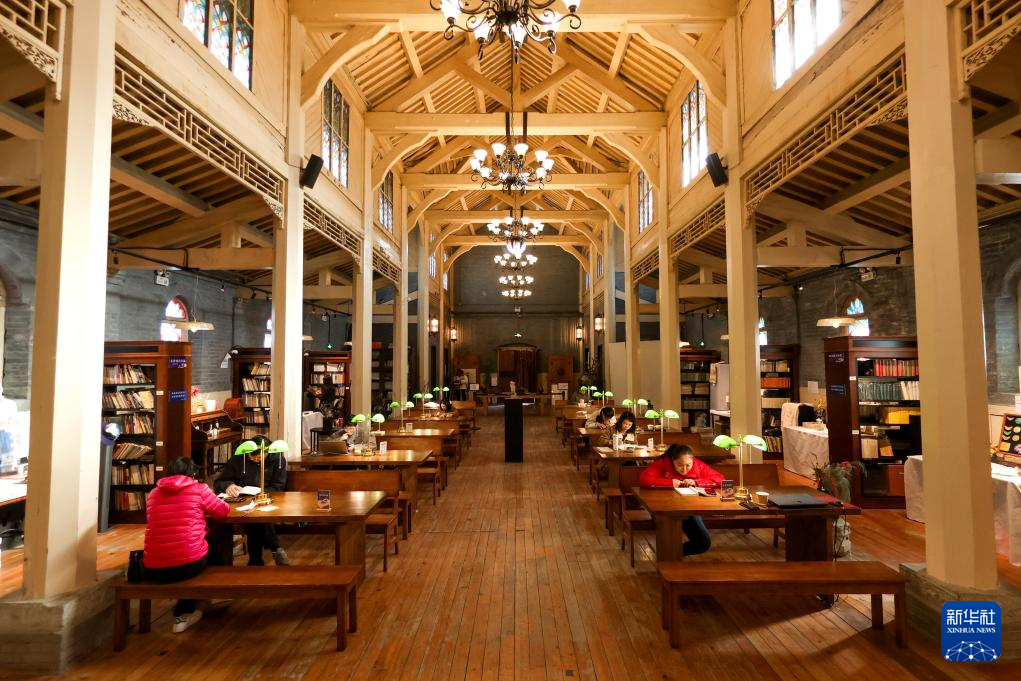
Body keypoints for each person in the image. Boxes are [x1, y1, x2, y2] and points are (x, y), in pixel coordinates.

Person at [143, 457, 230, 633]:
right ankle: (186, 611)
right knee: (195, 551)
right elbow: (222, 511)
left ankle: (212, 594)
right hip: (187, 566)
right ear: (192, 473)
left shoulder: (153, 493)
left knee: (202, 543)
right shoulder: (199, 489)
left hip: (152, 566)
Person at [213, 435, 290, 566]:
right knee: (254, 516)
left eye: (260, 457)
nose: (256, 460)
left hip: (270, 498)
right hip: (243, 500)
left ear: (267, 451)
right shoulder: (238, 458)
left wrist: (261, 493)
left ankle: (255, 561)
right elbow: (219, 482)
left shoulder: (277, 458)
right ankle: (275, 548)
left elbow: (279, 486)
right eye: (252, 457)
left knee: (255, 518)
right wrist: (228, 486)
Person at [638, 444, 725, 556]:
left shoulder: (698, 465)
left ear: (693, 461)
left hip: (690, 508)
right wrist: (670, 483)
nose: (684, 469)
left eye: (688, 465)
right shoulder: (662, 464)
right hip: (665, 507)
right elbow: (644, 479)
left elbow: (720, 479)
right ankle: (669, 556)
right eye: (680, 465)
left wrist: (696, 482)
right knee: (693, 540)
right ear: (672, 461)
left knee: (703, 543)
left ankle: (672, 554)